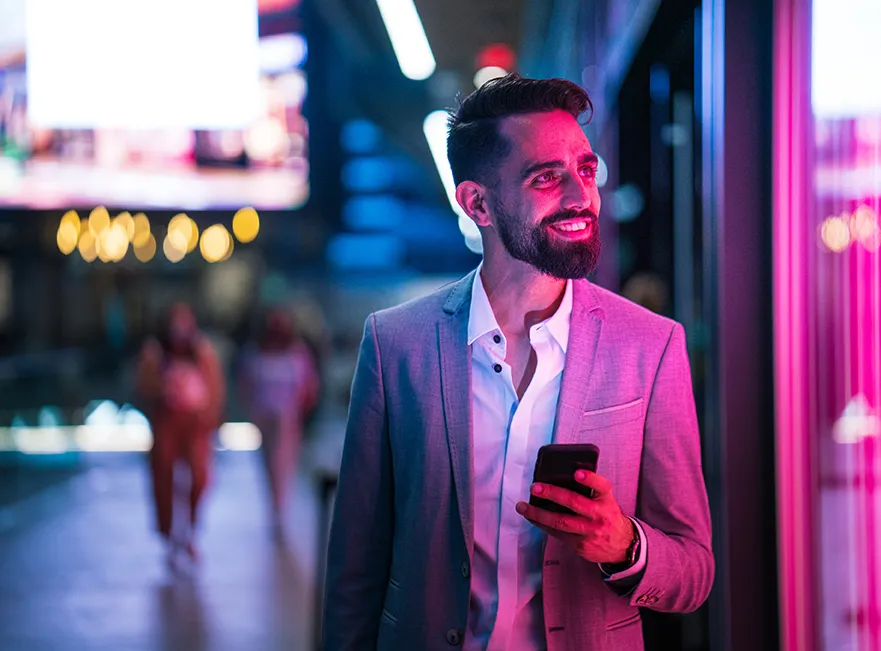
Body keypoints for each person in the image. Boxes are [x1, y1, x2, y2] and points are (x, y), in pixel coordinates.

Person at [323, 74, 713, 650]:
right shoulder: (394, 346)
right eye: (546, 178)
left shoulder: (650, 348)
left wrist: (625, 546)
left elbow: (694, 571)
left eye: (585, 169)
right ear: (477, 202)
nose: (582, 196)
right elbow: (354, 571)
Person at [136, 302, 225, 568]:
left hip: (196, 426)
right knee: (164, 476)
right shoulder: (155, 352)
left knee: (200, 478)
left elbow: (215, 389)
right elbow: (143, 386)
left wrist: (212, 422)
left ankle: (191, 532)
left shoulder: (203, 351)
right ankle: (169, 535)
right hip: (167, 423)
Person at [238, 307, 320, 532]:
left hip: (288, 417)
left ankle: (280, 509)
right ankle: (273, 506)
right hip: (263, 416)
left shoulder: (298, 352)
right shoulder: (255, 352)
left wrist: (301, 412)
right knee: (268, 464)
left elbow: (308, 386)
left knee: (283, 463)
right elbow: (245, 383)